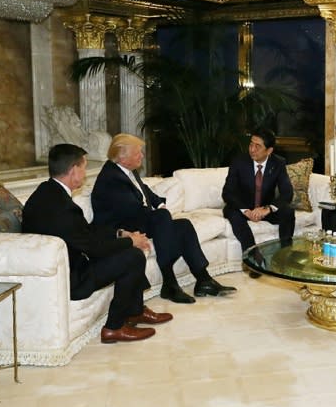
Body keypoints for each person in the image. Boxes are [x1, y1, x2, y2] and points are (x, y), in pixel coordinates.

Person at [22, 143, 172, 344]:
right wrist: (130, 241)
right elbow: (94, 248)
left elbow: (84, 231)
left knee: (127, 250)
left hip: (71, 262)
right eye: (83, 168)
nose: (84, 174)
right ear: (74, 170)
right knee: (133, 256)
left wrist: (119, 233)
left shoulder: (48, 192)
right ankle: (114, 327)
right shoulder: (60, 207)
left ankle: (135, 311)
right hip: (72, 278)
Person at [91, 134, 236, 303]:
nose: (142, 156)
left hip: (135, 217)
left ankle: (204, 279)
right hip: (120, 228)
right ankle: (169, 282)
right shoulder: (111, 178)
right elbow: (132, 210)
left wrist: (159, 204)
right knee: (162, 219)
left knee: (184, 225)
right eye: (138, 152)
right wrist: (161, 215)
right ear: (123, 157)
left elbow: (143, 189)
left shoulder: (127, 170)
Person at [222, 128, 295, 276]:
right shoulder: (239, 161)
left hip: (264, 208)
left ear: (269, 151)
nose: (252, 149)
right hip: (241, 207)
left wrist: (267, 209)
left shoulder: (278, 163)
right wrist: (246, 211)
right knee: (233, 214)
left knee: (288, 211)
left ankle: (284, 256)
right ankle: (253, 258)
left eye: (258, 146)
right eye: (251, 144)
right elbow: (227, 192)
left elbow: (287, 193)